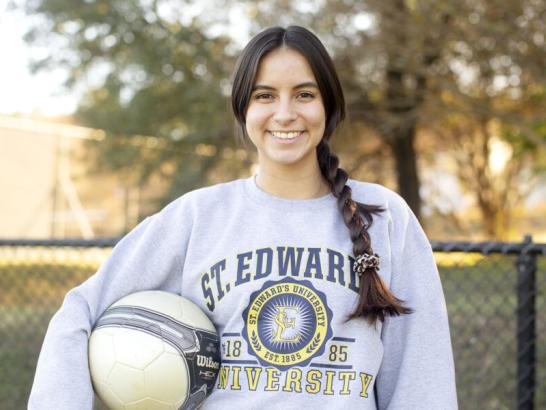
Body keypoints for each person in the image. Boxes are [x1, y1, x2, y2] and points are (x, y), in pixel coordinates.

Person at [29, 26, 457, 409]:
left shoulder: (385, 218)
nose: (285, 113)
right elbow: (80, 310)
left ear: (329, 106)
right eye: (265, 95)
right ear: (243, 110)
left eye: (304, 94)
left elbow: (421, 375)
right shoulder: (197, 217)